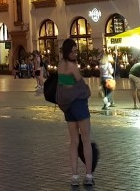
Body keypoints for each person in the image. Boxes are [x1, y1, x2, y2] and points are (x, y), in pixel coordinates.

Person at [56, 38, 94, 187]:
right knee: (85, 140)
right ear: (67, 51)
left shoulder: (60, 65)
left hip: (68, 108)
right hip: (79, 105)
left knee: (73, 142)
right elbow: (80, 85)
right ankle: (89, 175)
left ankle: (74, 176)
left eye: (75, 51)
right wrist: (87, 90)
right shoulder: (72, 66)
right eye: (72, 51)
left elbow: (66, 86)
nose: (74, 53)